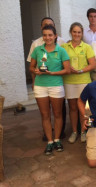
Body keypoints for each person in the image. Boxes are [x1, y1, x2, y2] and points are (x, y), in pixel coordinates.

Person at [29, 25, 70, 155]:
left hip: (56, 85)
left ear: (55, 36)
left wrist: (52, 73)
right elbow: (31, 67)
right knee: (45, 115)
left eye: (50, 35)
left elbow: (67, 70)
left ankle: (57, 139)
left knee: (58, 114)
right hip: (40, 86)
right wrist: (35, 71)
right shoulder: (37, 49)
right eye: (45, 35)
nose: (47, 38)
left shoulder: (61, 51)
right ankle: (49, 141)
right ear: (43, 36)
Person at [61, 22, 96, 144]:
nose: (76, 34)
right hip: (69, 81)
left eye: (79, 32)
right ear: (71, 32)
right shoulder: (64, 47)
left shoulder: (87, 47)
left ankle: (83, 131)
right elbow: (61, 63)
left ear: (82, 34)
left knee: (84, 108)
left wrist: (80, 70)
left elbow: (93, 64)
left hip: (83, 81)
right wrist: (68, 68)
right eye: (74, 32)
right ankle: (74, 131)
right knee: (73, 108)